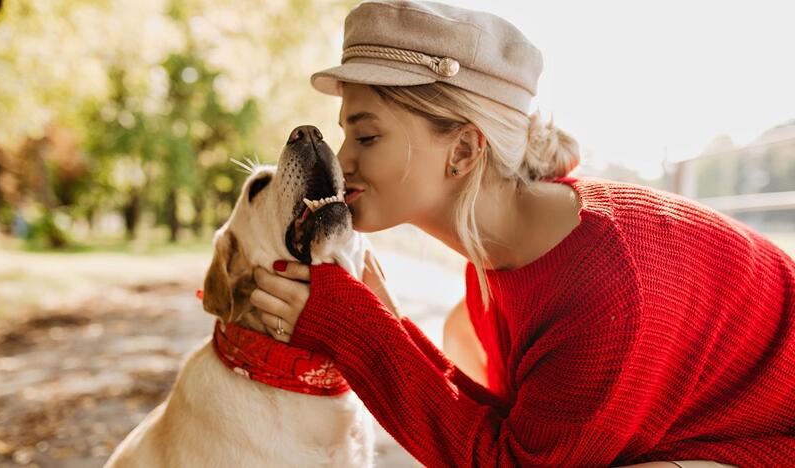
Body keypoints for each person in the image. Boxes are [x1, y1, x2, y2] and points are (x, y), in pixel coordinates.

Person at [247, 1, 795, 466]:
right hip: (693, 424)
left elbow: (509, 460)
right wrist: (388, 324)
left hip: (774, 442)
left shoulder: (604, 285)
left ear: (462, 150)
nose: (342, 162)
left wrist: (358, 331)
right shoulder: (502, 257)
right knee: (464, 334)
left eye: (366, 137)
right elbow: (501, 424)